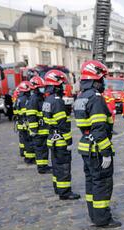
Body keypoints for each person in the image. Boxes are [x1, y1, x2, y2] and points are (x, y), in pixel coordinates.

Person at [74, 60, 121, 228]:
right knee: (102, 183)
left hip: (86, 146)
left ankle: (94, 215)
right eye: (102, 79)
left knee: (91, 182)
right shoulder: (96, 98)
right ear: (95, 80)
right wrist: (106, 152)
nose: (103, 83)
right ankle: (103, 219)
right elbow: (99, 128)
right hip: (97, 149)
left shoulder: (81, 97)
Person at [42, 70, 80, 200]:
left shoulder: (48, 100)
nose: (62, 87)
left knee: (56, 165)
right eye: (61, 85)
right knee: (63, 166)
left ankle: (58, 188)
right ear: (56, 85)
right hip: (60, 140)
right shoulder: (58, 102)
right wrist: (68, 141)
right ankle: (65, 192)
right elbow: (63, 124)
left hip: (52, 138)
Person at [26, 76, 52, 174]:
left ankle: (44, 166)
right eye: (40, 87)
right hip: (38, 131)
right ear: (35, 88)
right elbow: (31, 115)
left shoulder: (40, 97)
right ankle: (42, 168)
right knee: (40, 150)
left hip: (43, 129)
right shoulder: (34, 99)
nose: (43, 89)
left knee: (43, 149)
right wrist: (34, 129)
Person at [15, 81, 36, 164]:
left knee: (24, 141)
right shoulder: (25, 100)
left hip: (21, 124)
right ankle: (30, 159)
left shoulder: (19, 98)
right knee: (29, 142)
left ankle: (25, 155)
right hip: (25, 124)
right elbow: (26, 113)